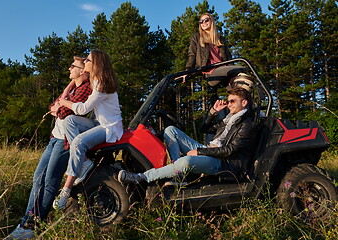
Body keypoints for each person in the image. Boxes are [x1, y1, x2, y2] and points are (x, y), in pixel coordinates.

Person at [5, 56, 92, 239]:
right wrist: (62, 99)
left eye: (72, 66)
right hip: (55, 138)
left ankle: (32, 226)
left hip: (65, 142)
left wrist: (59, 106)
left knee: (50, 181)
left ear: (82, 71)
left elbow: (63, 111)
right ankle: (26, 223)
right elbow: (53, 106)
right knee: (38, 178)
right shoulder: (74, 88)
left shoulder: (86, 89)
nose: (69, 69)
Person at [118, 87, 257, 184]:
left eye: (233, 101)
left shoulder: (247, 124)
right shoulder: (229, 120)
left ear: (244, 103)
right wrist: (213, 112)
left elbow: (230, 151)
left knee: (186, 162)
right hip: (210, 151)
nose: (229, 105)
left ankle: (142, 177)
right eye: (228, 101)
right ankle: (179, 176)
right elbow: (205, 128)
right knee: (170, 130)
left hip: (222, 163)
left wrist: (200, 151)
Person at [53, 49, 123, 209]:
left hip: (108, 126)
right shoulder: (95, 79)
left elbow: (82, 109)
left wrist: (63, 102)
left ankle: (66, 188)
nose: (85, 63)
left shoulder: (102, 84)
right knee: (69, 121)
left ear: (97, 64)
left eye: (88, 61)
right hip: (98, 122)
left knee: (78, 141)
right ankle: (84, 162)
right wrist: (70, 85)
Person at [181, 13, 231, 85]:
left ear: (212, 21)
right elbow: (192, 55)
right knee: (238, 70)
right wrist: (187, 71)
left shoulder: (220, 39)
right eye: (201, 21)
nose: (203, 23)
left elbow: (228, 57)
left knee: (237, 87)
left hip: (224, 68)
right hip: (210, 71)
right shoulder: (197, 37)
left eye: (206, 20)